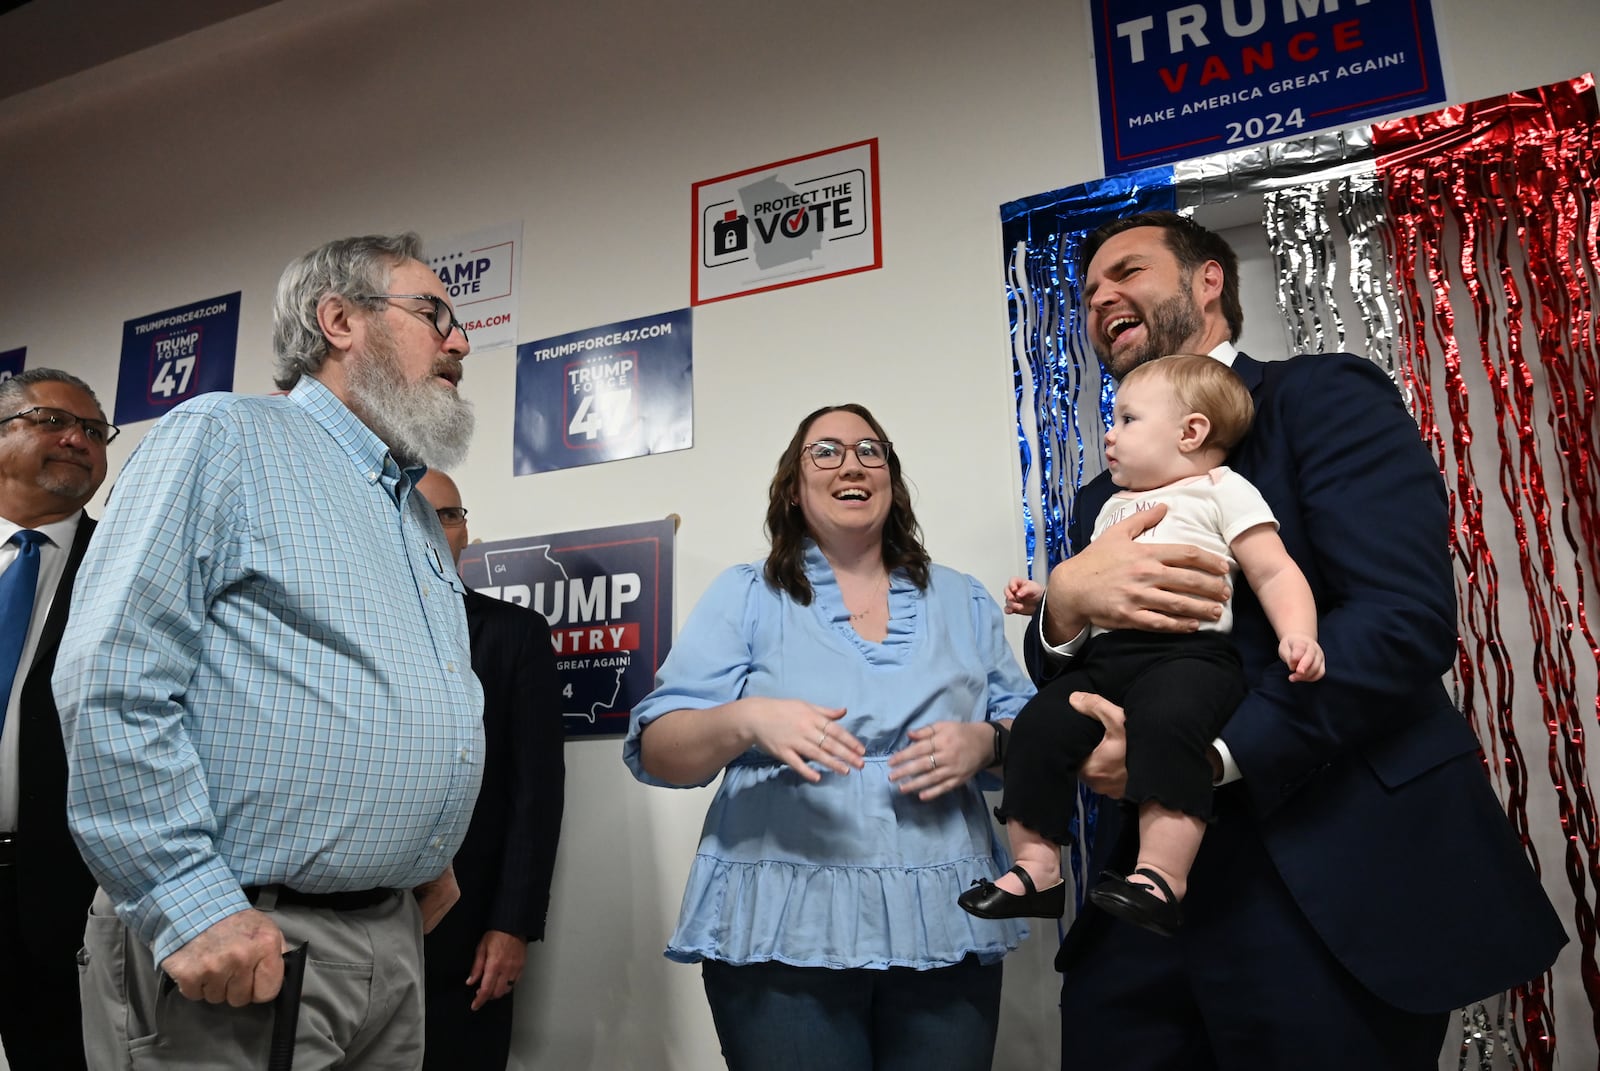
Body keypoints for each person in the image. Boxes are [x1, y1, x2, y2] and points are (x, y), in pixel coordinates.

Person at [1027, 210, 1566, 1068]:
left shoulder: (1322, 396)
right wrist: (1060, 607)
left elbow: (1400, 619)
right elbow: (1086, 658)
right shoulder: (1108, 491)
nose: (1102, 298)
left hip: (1336, 882)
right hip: (1147, 905)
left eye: (1126, 271)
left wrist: (1208, 756)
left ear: (1209, 280)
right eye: (1088, 291)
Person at [55, 233, 486, 1071]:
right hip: (242, 939)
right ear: (338, 320)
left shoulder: (411, 509)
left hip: (389, 938)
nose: (459, 339)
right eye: (434, 313)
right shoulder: (225, 436)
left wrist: (421, 846)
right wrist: (186, 901)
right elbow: (111, 680)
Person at [623, 403, 1033, 1071]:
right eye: (827, 451)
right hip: (781, 927)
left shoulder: (964, 598)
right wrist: (747, 718)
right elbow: (661, 748)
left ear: (892, 483)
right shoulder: (745, 594)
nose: (852, 463)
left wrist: (990, 742)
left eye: (872, 451)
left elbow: (1036, 731)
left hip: (944, 917)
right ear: (793, 485)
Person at [959, 354, 1322, 935]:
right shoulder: (1108, 505)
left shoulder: (1221, 489)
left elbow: (1274, 572)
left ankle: (1160, 876)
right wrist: (1050, 595)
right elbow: (1091, 586)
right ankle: (1036, 866)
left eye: (1127, 418)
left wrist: (1298, 632)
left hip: (1188, 656)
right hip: (1106, 660)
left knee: (1168, 721)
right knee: (1035, 727)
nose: (1109, 431)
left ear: (1192, 432)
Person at [415, 468, 566, 1071]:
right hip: (342, 931)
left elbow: (536, 795)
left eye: (449, 515)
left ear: (465, 532)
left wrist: (512, 926)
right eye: (419, 512)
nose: (436, 528)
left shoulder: (514, 635)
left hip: (468, 939)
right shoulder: (338, 634)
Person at [0, 369, 114, 1070]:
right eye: (52, 420)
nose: (78, 439)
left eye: (95, 431)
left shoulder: (131, 563)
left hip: (64, 894)